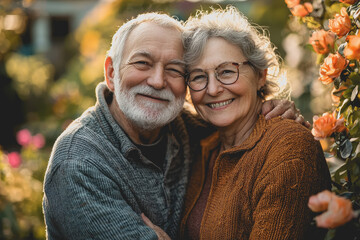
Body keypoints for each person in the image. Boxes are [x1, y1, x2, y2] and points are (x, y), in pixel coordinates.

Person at [43, 11, 307, 240]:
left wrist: (271, 110)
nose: (158, 81)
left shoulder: (188, 127)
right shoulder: (78, 164)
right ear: (112, 72)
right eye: (142, 63)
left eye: (174, 70)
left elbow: (240, 120)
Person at [142, 6, 332, 239]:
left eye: (227, 72)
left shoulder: (288, 149)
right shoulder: (203, 147)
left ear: (260, 74)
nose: (213, 89)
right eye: (199, 77)